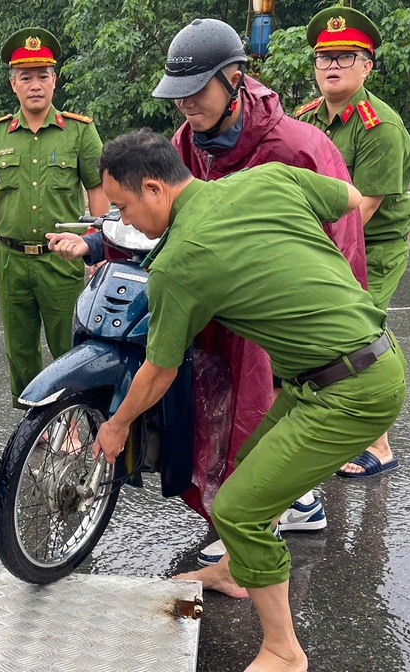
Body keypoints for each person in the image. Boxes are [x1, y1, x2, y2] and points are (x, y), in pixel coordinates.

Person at [48, 18, 367, 560]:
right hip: (214, 307)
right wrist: (99, 243)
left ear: (234, 78)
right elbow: (157, 216)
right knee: (212, 414)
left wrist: (329, 318)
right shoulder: (184, 144)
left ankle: (249, 538)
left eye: (197, 90)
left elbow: (343, 242)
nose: (186, 104)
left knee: (255, 408)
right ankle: (293, 506)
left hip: (274, 315)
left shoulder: (294, 147)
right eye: (178, 94)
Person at [91, 130, 406, 672]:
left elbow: (159, 371)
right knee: (245, 467)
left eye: (123, 207)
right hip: (360, 361)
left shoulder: (178, 263)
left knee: (239, 510)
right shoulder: (266, 180)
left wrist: (117, 426)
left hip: (350, 394)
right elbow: (353, 200)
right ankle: (235, 569)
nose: (125, 222)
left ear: (154, 188)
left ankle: (284, 652)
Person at [295, 6, 410, 477]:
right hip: (322, 242)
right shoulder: (307, 119)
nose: (333, 66)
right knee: (324, 339)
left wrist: (310, 252)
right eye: (325, 58)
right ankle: (333, 430)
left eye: (346, 57)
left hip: (373, 248)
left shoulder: (379, 126)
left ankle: (380, 447)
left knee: (362, 338)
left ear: (366, 67)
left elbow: (364, 207)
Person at [0, 27, 109, 407]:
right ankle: (33, 418)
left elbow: (98, 189)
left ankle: (72, 415)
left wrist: (99, 245)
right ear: (13, 83)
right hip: (11, 259)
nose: (35, 85)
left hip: (61, 257)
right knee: (20, 347)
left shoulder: (79, 132)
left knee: (69, 344)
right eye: (26, 77)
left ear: (54, 80)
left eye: (42, 76)